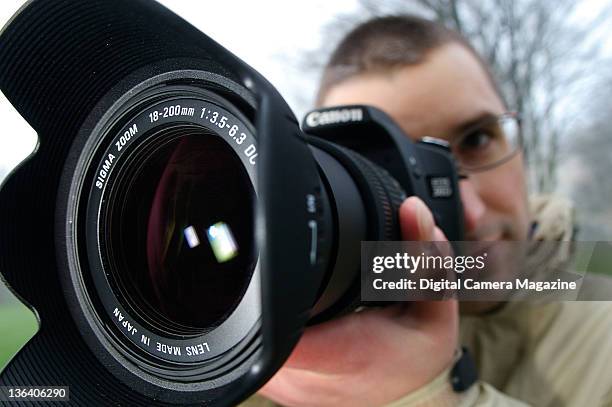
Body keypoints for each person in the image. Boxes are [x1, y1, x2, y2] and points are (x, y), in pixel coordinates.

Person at [242, 15, 612, 407]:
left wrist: (427, 396)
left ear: (514, 134)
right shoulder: (278, 353)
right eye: (394, 175)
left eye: (478, 139)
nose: (469, 213)